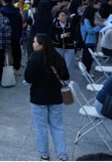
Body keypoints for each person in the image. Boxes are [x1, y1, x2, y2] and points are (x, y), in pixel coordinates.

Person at [24, 33, 70, 161]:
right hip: (56, 97)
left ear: (41, 45)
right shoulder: (57, 57)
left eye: (35, 41)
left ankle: (44, 154)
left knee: (41, 128)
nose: (33, 44)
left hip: (39, 98)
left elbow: (28, 78)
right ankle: (63, 155)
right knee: (58, 127)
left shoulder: (34, 59)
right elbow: (66, 76)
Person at [51, 10, 76, 80]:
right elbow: (52, 35)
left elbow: (74, 35)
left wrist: (73, 41)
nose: (64, 17)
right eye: (62, 15)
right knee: (58, 65)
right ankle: (58, 80)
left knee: (69, 66)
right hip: (58, 47)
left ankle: (67, 81)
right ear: (58, 17)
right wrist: (61, 36)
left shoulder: (70, 25)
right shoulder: (55, 25)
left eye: (65, 15)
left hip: (69, 47)